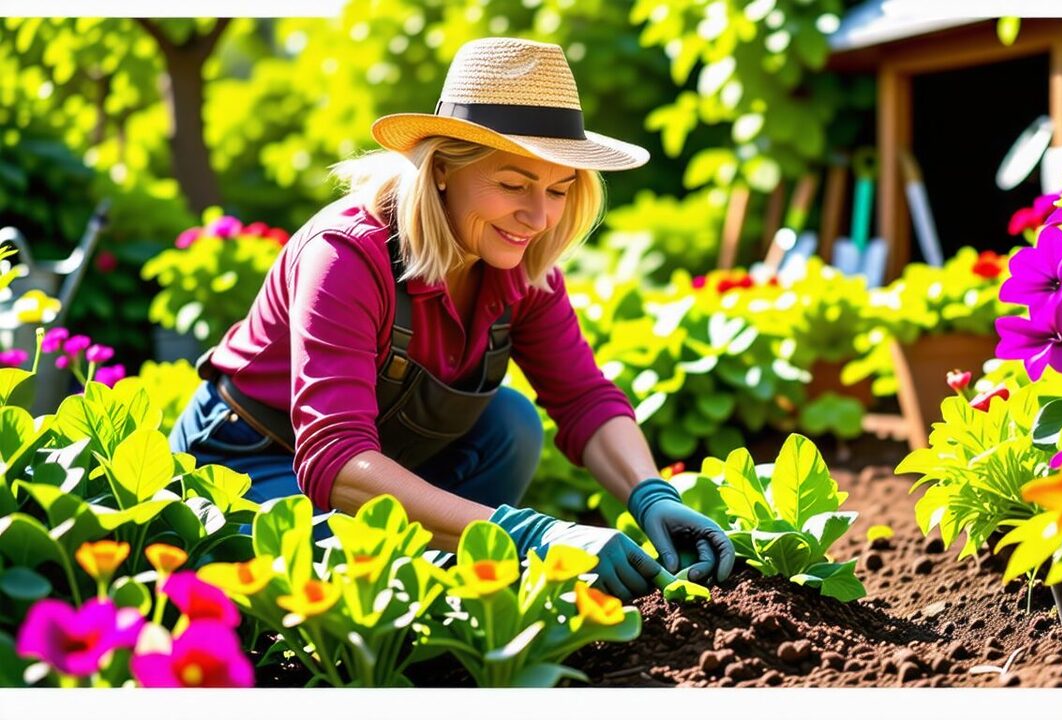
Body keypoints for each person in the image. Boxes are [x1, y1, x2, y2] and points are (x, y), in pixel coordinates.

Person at [169, 36, 734, 600]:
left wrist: (653, 494)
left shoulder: (522, 266)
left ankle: (443, 575)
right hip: (249, 459)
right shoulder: (346, 255)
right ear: (441, 167)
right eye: (513, 184)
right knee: (355, 578)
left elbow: (583, 397)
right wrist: (531, 536)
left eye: (559, 190)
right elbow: (336, 459)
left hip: (377, 460)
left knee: (510, 425)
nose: (538, 217)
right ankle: (434, 576)